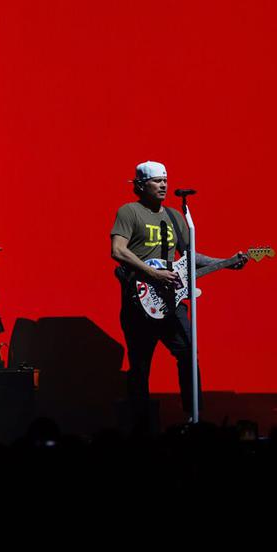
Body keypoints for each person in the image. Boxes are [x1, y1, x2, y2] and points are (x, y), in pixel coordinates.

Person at [110, 161, 245, 428]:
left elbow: (190, 257)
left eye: (165, 180)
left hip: (171, 300)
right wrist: (153, 274)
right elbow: (118, 251)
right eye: (157, 181)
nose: (163, 185)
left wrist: (227, 261)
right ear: (140, 185)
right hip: (140, 301)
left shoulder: (174, 217)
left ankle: (193, 418)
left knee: (187, 352)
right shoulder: (129, 212)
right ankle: (140, 427)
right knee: (140, 365)